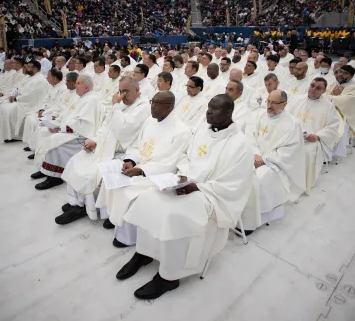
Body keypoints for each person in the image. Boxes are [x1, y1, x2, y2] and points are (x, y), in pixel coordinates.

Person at [119, 95, 254, 300]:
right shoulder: (202, 131)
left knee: (174, 214)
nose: (208, 111)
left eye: (215, 109)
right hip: (185, 183)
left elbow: (235, 184)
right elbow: (186, 158)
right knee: (149, 199)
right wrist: (182, 175)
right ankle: (144, 252)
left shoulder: (240, 144)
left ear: (229, 113)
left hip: (211, 195)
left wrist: (197, 186)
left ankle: (169, 277)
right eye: (208, 107)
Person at [96, 91, 191, 247]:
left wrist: (141, 171)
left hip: (156, 175)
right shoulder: (150, 121)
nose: (152, 106)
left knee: (127, 190)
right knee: (111, 175)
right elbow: (137, 146)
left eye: (157, 104)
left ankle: (127, 236)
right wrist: (131, 160)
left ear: (169, 107)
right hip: (140, 166)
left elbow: (169, 163)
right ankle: (115, 217)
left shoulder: (181, 131)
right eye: (152, 101)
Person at [59, 76, 151, 224]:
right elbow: (106, 125)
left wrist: (115, 106)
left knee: (91, 174)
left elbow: (124, 130)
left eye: (126, 91)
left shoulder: (143, 107)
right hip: (104, 146)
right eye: (120, 91)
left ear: (137, 89)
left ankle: (87, 207)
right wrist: (94, 140)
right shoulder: (122, 104)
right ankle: (77, 202)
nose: (122, 95)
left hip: (121, 152)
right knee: (76, 160)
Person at [241, 89, 305, 233]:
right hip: (253, 156)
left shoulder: (292, 124)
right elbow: (248, 135)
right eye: (268, 101)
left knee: (257, 180)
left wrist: (264, 159)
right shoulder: (259, 115)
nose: (269, 106)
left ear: (285, 104)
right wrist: (256, 154)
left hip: (275, 164)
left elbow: (289, 151)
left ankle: (252, 221)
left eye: (274, 103)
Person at [31, 75, 104, 190]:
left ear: (86, 87)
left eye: (78, 83)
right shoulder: (81, 98)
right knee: (48, 135)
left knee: (55, 141)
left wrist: (61, 129)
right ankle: (45, 169)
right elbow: (68, 115)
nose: (75, 85)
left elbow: (83, 124)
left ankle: (54, 177)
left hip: (80, 137)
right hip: (73, 132)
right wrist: (55, 122)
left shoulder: (91, 100)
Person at [286, 78, 340, 191]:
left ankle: (301, 181)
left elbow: (333, 126)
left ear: (324, 91)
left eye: (318, 88)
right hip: (292, 135)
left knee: (306, 152)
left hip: (312, 140)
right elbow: (285, 117)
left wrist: (318, 135)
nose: (313, 89)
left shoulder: (328, 106)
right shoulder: (297, 99)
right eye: (312, 85)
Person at [0, 60, 50, 142]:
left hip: (30, 103)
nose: (26, 68)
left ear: (35, 69)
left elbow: (31, 95)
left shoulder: (40, 80)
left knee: (9, 110)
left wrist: (17, 98)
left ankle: (15, 135)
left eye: (28, 67)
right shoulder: (28, 76)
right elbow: (18, 87)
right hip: (21, 99)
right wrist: (13, 95)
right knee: (3, 106)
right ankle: (7, 133)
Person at [21, 69, 72, 154]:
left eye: (48, 77)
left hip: (53, 112)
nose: (47, 79)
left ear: (55, 78)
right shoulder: (51, 86)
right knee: (29, 118)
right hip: (47, 110)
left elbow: (57, 105)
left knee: (37, 124)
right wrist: (42, 109)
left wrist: (45, 113)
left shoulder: (62, 89)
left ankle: (38, 150)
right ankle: (32, 145)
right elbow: (45, 100)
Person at [327, 65, 355, 137]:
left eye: (345, 73)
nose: (340, 75)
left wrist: (328, 97)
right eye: (340, 72)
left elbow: (345, 101)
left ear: (351, 76)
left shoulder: (354, 87)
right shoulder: (334, 84)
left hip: (342, 115)